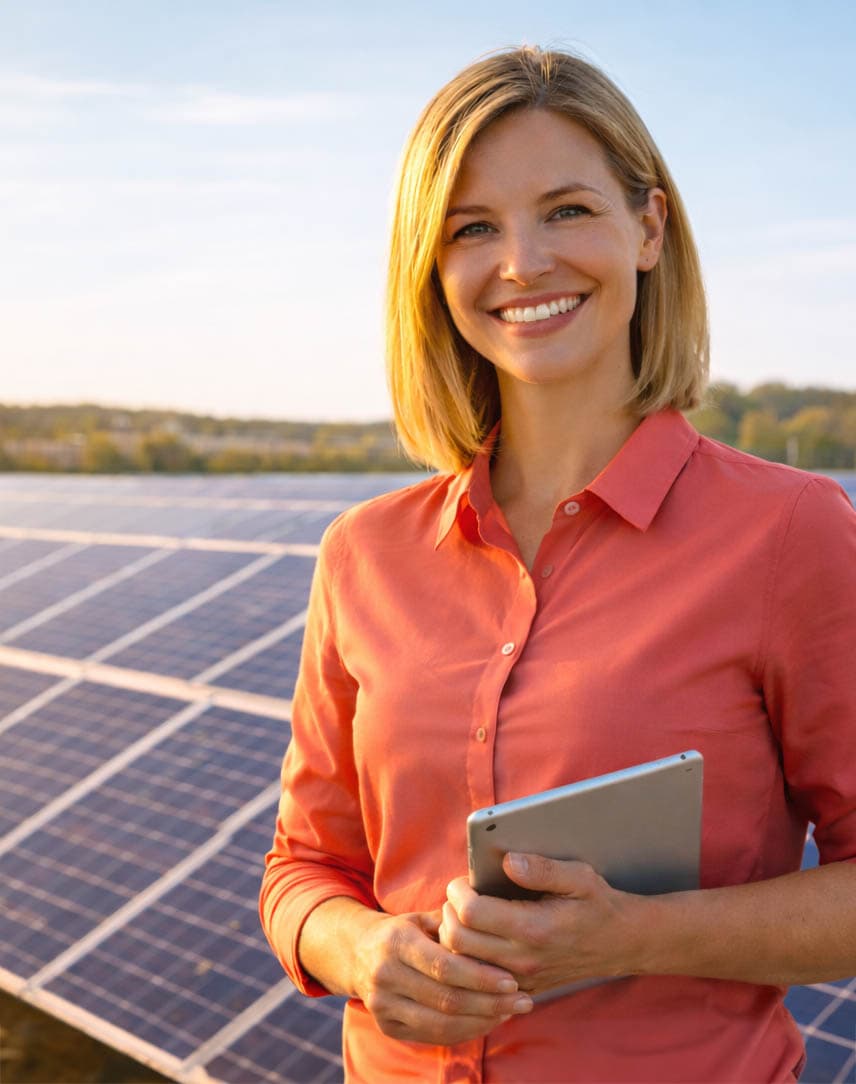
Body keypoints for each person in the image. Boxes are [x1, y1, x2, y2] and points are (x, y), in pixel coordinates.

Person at [260, 46, 856, 1083]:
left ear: (649, 229)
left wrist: (635, 936)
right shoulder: (363, 554)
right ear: (430, 267)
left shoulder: (789, 532)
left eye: (567, 210)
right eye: (472, 228)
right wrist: (360, 950)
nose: (522, 263)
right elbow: (303, 869)